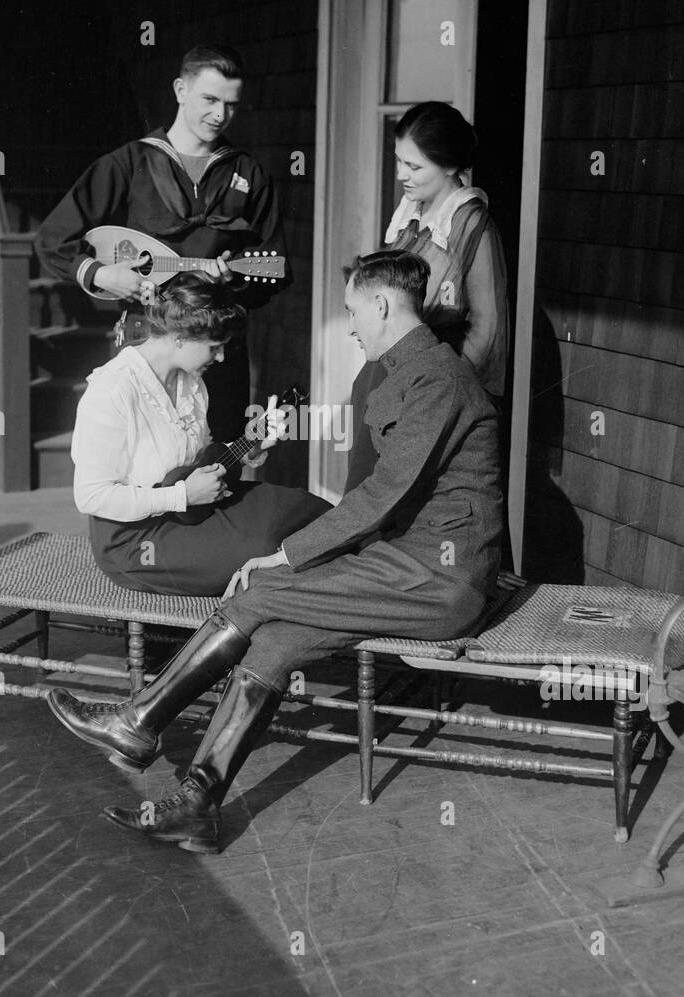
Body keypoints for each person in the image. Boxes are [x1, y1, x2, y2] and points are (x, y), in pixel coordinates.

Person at [47, 251, 505, 852]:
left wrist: (286, 555)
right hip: (405, 567)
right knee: (276, 638)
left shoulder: (435, 380)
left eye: (352, 311)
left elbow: (382, 498)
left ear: (383, 305)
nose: (350, 326)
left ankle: (138, 720)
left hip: (437, 580)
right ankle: (199, 803)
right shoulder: (414, 372)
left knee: (260, 587)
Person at [34, 44, 289, 440]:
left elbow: (275, 268)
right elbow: (52, 240)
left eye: (231, 104)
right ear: (180, 90)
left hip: (216, 347)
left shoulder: (249, 174)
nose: (220, 115)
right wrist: (101, 275)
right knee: (141, 460)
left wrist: (232, 283)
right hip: (147, 341)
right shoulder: (129, 163)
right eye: (209, 99)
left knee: (217, 456)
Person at [69, 272, 328, 604]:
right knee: (267, 552)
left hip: (194, 511)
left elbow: (201, 461)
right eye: (214, 347)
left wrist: (252, 447)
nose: (220, 358)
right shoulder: (113, 390)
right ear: (180, 338)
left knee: (305, 510)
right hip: (136, 541)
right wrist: (181, 496)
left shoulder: (192, 384)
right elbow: (90, 497)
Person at [345, 101, 508, 493]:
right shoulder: (408, 217)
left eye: (414, 167)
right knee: (364, 492)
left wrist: (435, 395)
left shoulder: (471, 227)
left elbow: (486, 329)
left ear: (450, 166)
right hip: (387, 377)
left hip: (428, 391)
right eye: (400, 161)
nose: (401, 174)